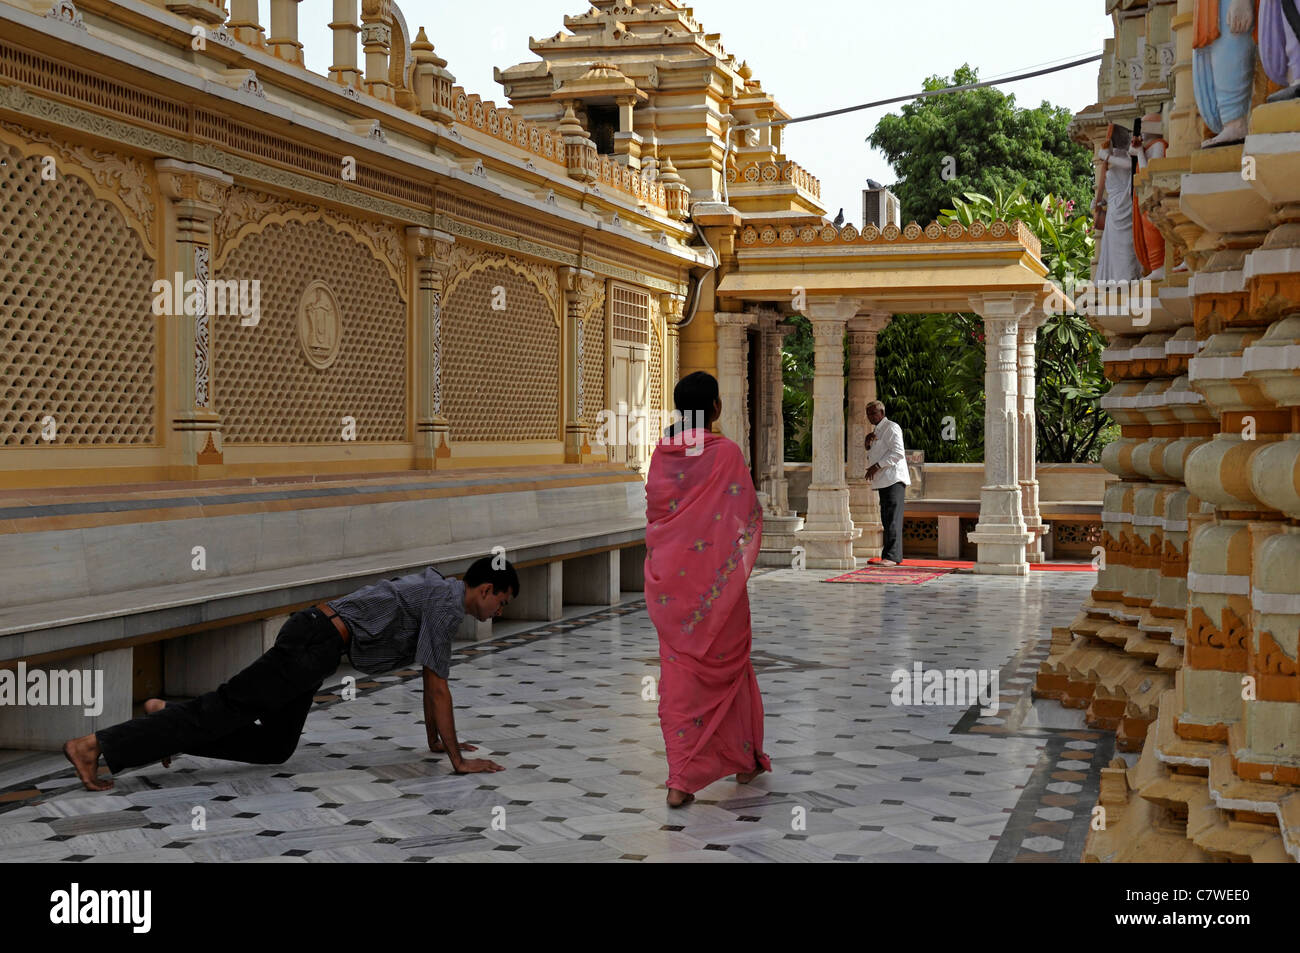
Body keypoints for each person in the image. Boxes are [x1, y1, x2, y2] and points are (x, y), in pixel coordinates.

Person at [62, 556, 517, 790]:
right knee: (220, 711)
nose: (499, 610)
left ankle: (169, 721)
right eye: (502, 601)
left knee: (275, 746)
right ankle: (93, 745)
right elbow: (438, 686)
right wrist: (458, 759)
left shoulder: (443, 597)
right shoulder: (445, 602)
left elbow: (429, 676)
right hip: (314, 642)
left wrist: (436, 741)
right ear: (485, 588)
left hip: (316, 648)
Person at [644, 371, 770, 808]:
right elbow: (746, 514)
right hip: (718, 589)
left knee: (680, 680)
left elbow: (657, 513)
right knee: (731, 668)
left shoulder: (663, 453)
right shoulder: (725, 453)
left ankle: (686, 777)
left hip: (670, 589)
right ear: (716, 408)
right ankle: (739, 762)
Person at [864, 399, 910, 567]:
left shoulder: (891, 427)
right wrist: (868, 446)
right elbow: (880, 452)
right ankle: (889, 555)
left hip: (893, 479)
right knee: (886, 518)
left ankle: (892, 556)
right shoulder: (877, 431)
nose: (870, 416)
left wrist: (876, 466)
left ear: (882, 413)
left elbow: (898, 453)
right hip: (884, 481)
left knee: (892, 519)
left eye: (874, 413)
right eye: (868, 413)